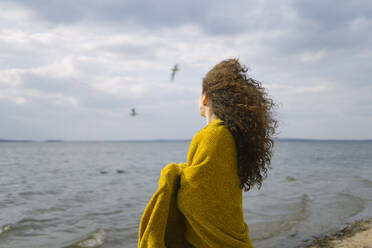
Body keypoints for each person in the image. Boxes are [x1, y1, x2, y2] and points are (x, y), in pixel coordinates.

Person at [138, 58, 278, 248]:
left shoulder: (212, 135)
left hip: (208, 242)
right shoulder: (232, 135)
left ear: (205, 98)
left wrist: (172, 174)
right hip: (230, 231)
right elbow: (208, 183)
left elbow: (194, 197)